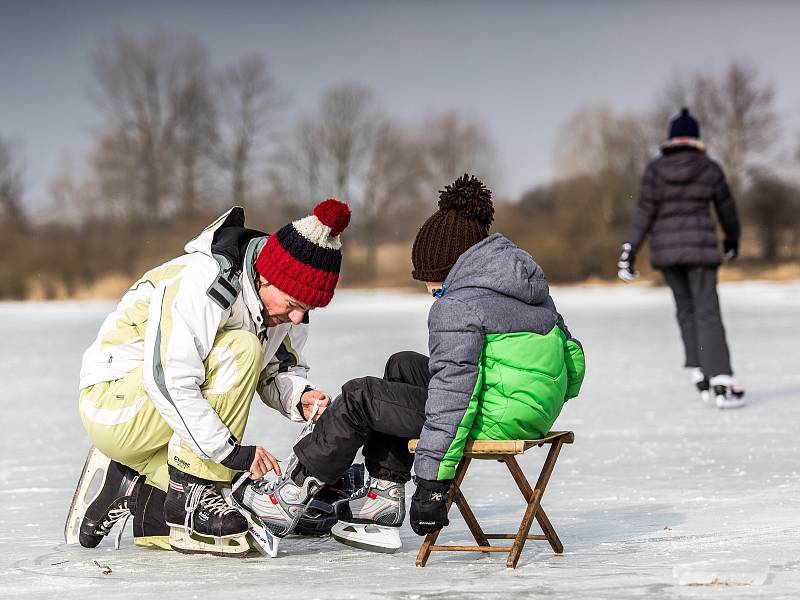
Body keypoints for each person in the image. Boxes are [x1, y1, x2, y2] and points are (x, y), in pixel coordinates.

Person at [234, 174, 586, 552]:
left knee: (360, 397)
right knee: (402, 366)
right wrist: (529, 398)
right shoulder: (527, 287)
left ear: (449, 272)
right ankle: (384, 495)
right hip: (530, 411)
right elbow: (574, 362)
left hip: (491, 416)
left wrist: (433, 485)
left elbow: (453, 396)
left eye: (433, 286)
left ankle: (287, 497)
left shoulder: (458, 306)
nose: (431, 296)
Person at [68, 199, 351, 556]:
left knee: (221, 504)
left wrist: (299, 395)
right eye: (293, 304)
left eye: (307, 309)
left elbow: (279, 369)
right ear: (266, 276)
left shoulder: (278, 307)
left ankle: (136, 491)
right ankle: (194, 492)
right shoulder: (205, 281)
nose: (297, 318)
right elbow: (169, 382)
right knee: (243, 349)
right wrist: (229, 455)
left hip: (157, 414)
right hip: (113, 404)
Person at [617, 108, 745, 409]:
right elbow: (727, 209)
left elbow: (643, 214)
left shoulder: (655, 170)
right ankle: (722, 380)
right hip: (701, 250)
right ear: (695, 138)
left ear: (672, 139)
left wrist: (630, 249)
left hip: (668, 253)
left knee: (686, 310)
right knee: (707, 310)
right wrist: (732, 239)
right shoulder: (709, 168)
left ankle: (699, 368)